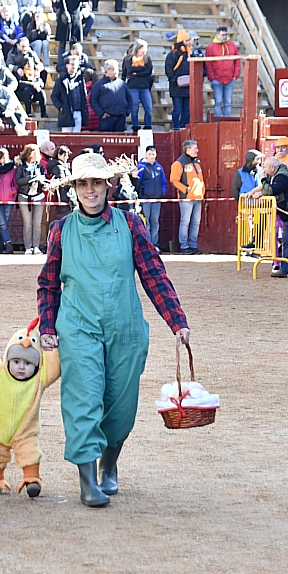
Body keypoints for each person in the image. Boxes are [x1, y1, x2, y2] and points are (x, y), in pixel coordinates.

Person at [37, 152, 190, 507]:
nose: (90, 190)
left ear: (109, 185)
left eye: (96, 182)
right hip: (79, 327)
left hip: (125, 326)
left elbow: (153, 273)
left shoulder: (131, 224)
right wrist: (47, 325)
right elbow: (48, 283)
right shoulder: (61, 230)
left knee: (120, 406)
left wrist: (177, 320)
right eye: (82, 183)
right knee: (84, 399)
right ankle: (87, 481)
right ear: (74, 188)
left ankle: (109, 463)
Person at [0, 321, 60, 497]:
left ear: (37, 365)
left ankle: (32, 479)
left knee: (29, 451)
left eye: (28, 363)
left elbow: (52, 369)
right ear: (7, 359)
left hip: (25, 430)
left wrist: (51, 350)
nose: (21, 367)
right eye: (16, 361)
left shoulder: (39, 379)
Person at [169, 140, 204, 254]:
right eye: (195, 148)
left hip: (198, 197)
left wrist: (202, 192)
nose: (197, 150)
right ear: (188, 150)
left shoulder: (197, 162)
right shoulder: (178, 163)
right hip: (186, 198)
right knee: (185, 222)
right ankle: (184, 246)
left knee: (196, 223)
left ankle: (193, 245)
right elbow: (174, 180)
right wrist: (186, 190)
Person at [204, 27, 240, 118]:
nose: (224, 36)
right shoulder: (211, 47)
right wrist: (212, 77)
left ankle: (227, 121)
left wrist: (235, 75)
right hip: (217, 79)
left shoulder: (233, 46)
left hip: (230, 78)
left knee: (228, 102)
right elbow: (208, 64)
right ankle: (219, 121)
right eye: (222, 35)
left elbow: (237, 61)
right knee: (218, 102)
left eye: (225, 34)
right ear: (217, 35)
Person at [89, 60, 130, 133]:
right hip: (107, 118)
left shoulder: (122, 83)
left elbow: (129, 98)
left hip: (120, 118)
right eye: (114, 69)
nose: (116, 71)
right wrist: (101, 114)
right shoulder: (99, 84)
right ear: (107, 70)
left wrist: (127, 111)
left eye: (117, 69)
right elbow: (93, 100)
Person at [52, 53, 89, 132]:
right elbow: (54, 96)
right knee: (66, 136)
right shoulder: (61, 80)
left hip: (79, 112)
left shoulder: (80, 79)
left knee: (77, 136)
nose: (74, 66)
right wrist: (61, 107)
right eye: (72, 64)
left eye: (75, 64)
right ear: (67, 65)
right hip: (67, 113)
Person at [165, 30, 193, 131]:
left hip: (188, 86)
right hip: (176, 87)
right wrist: (174, 80)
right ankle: (176, 127)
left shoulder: (190, 53)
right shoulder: (172, 55)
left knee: (187, 110)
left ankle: (184, 127)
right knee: (177, 109)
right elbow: (168, 69)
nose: (189, 42)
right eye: (186, 40)